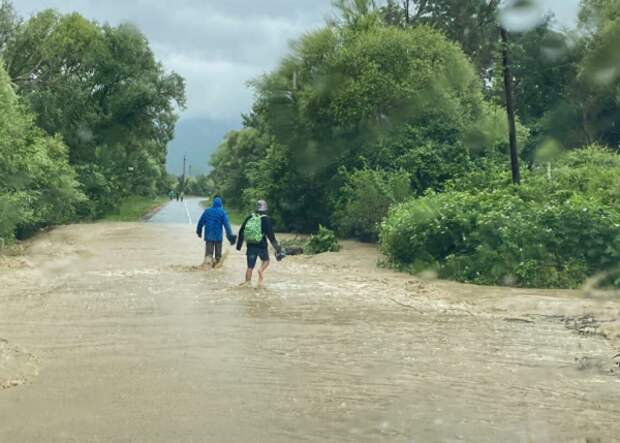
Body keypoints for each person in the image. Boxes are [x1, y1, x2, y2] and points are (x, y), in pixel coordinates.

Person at [236, 200, 284, 286]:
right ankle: (261, 270)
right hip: (261, 246)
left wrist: (239, 246)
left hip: (250, 246)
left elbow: (241, 231)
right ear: (265, 209)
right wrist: (277, 249)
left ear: (256, 208)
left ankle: (247, 283)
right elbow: (271, 236)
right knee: (266, 260)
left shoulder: (250, 217)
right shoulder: (266, 219)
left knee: (250, 267)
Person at [196, 197, 236, 268]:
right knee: (218, 257)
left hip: (209, 237)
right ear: (221, 204)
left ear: (213, 203)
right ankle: (216, 269)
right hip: (218, 238)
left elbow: (200, 223)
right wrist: (230, 237)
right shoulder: (222, 212)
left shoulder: (207, 211)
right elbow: (227, 226)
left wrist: (199, 232)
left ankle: (206, 270)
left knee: (208, 256)